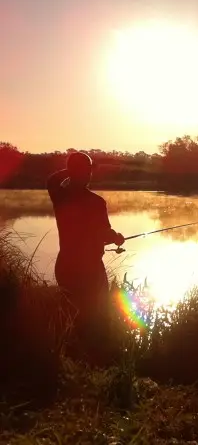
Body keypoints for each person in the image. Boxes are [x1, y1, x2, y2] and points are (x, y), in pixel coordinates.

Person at [47, 151, 125, 362]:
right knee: (96, 313)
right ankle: (90, 359)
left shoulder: (59, 196)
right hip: (89, 268)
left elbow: (51, 179)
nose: (90, 174)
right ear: (86, 172)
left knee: (70, 311)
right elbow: (105, 235)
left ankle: (66, 357)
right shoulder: (96, 202)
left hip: (64, 264)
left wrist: (71, 170)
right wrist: (117, 238)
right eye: (88, 170)